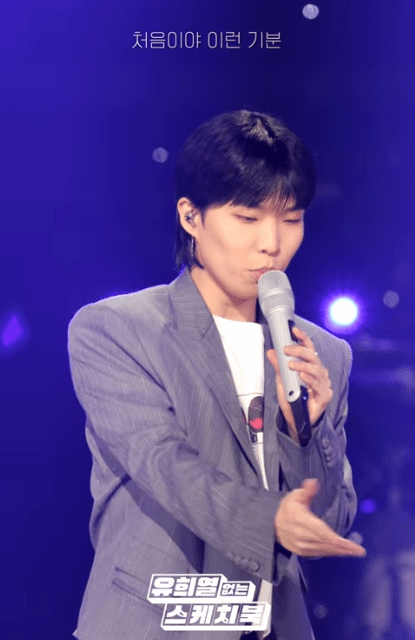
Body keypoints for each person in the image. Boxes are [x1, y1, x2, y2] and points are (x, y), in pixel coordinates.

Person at [67, 109, 365, 640]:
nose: (271, 243)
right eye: (247, 218)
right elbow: (165, 463)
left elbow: (328, 520)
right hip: (156, 622)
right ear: (190, 216)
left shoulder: (323, 354)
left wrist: (308, 431)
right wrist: (270, 518)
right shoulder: (118, 330)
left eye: (291, 219)